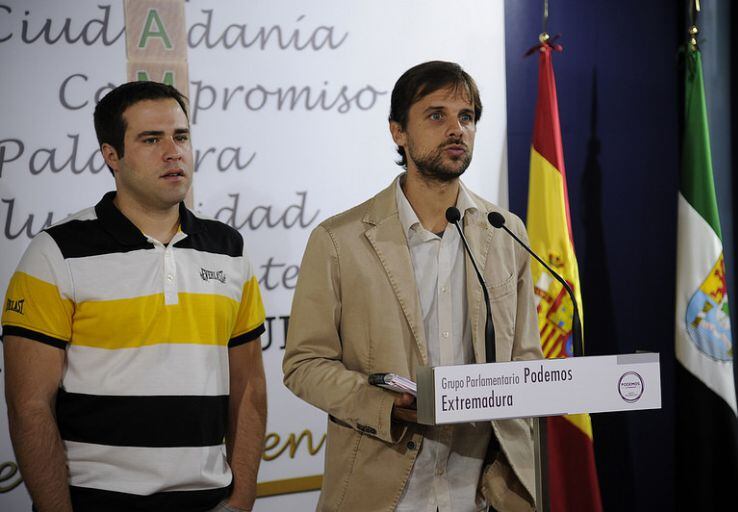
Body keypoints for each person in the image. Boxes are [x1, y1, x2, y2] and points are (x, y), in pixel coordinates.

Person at [283, 61, 543, 512]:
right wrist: (383, 406)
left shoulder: (506, 232)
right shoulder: (338, 240)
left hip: (487, 492)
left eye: (467, 117)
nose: (457, 129)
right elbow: (304, 364)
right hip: (383, 490)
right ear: (398, 132)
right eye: (436, 115)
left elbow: (525, 357)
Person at [2, 81, 267, 512]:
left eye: (181, 136)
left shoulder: (229, 248)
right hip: (95, 500)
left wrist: (240, 500)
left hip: (209, 499)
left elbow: (250, 385)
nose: (173, 151)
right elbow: (28, 404)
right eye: (151, 139)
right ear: (112, 156)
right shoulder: (56, 252)